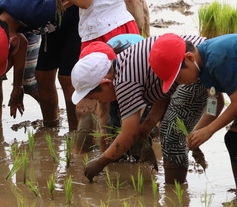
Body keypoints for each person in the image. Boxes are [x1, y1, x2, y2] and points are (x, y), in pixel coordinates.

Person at [149, 33, 237, 193]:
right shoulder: (202, 68)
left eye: (179, 77)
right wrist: (197, 132)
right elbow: (216, 102)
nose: (180, 83)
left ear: (189, 58)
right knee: (234, 140)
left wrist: (209, 130)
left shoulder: (216, 59)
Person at [71, 35, 207, 182]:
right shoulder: (123, 64)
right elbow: (163, 88)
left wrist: (100, 162)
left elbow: (130, 133)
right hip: (197, 57)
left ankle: (175, 193)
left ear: (105, 84)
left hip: (195, 65)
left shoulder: (124, 81)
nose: (100, 102)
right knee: (169, 128)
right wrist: (148, 124)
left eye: (97, 98)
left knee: (171, 131)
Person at [0, 0, 80, 129]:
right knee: (42, 76)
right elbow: (22, 42)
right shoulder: (6, 21)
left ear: (13, 41)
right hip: (50, 23)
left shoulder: (36, 11)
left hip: (75, 19)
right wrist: (17, 87)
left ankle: (75, 133)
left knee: (67, 78)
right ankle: (51, 127)